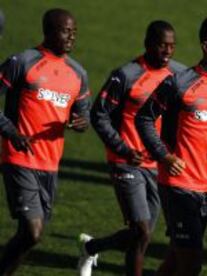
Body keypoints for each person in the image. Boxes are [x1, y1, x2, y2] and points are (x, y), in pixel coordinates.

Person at [136, 14, 207, 276]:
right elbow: (144, 118)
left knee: (176, 261)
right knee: (192, 265)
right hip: (178, 185)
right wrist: (164, 156)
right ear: (206, 45)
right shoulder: (179, 83)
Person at [77, 20, 185, 276]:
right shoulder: (126, 75)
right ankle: (91, 249)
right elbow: (99, 115)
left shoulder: (180, 76)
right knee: (142, 230)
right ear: (147, 44)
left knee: (140, 236)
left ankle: (91, 248)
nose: (168, 51)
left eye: (172, 46)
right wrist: (124, 149)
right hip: (126, 161)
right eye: (162, 45)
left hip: (158, 166)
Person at [0, 8, 90, 275]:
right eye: (66, 31)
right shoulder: (23, 62)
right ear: (49, 32)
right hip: (19, 158)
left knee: (28, 237)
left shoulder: (78, 73)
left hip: (50, 165)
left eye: (74, 32)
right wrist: (10, 131)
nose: (72, 37)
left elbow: (83, 111)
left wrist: (81, 122)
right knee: (33, 232)